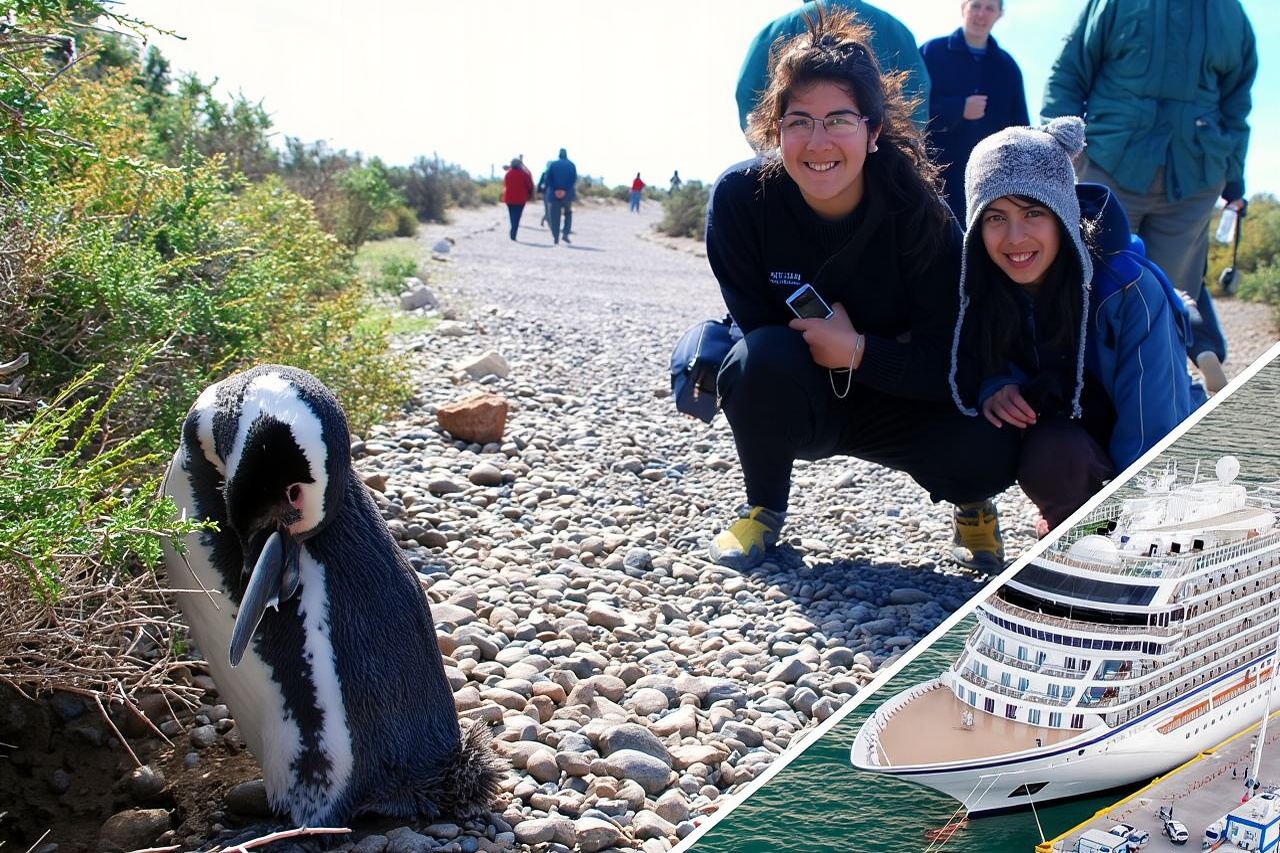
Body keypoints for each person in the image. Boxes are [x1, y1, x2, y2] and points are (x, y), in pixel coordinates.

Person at [706, 10, 1018, 573]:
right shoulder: (739, 202)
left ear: (874, 132)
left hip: (904, 395)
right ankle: (762, 508)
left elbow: (952, 364)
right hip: (809, 390)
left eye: (840, 120)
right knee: (755, 362)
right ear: (775, 131)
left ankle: (973, 503)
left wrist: (857, 352)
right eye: (798, 120)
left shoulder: (922, 218)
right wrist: (824, 356)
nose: (818, 141)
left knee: (990, 440)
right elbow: (757, 328)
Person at [948, 118, 1201, 534]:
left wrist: (1144, 528)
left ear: (1063, 213)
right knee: (1054, 461)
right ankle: (1075, 528)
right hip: (1071, 424)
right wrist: (996, 384)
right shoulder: (983, 282)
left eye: (1033, 212)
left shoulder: (1128, 287)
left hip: (1155, 424)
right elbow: (985, 355)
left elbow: (1153, 422)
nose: (1014, 237)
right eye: (995, 217)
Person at [1041, 0, 1257, 394]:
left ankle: (1159, 398)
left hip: (1195, 174)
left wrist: (1234, 174)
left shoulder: (1230, 13)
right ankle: (1082, 392)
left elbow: (1237, 101)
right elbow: (1069, 73)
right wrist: (1058, 146)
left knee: (1171, 294)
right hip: (1111, 161)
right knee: (1093, 280)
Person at [736, 0, 931, 135]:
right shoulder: (896, 29)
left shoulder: (775, 30)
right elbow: (917, 96)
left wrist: (771, 147)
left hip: (795, 163)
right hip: (885, 166)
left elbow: (748, 96)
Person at [919, 0, 1028, 222]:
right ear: (962, 8)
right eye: (976, 6)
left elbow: (1021, 129)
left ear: (1000, 15)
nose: (981, 14)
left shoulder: (1008, 67)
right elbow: (910, 108)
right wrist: (958, 108)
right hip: (932, 178)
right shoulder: (931, 52)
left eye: (990, 8)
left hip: (989, 185)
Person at [544, 148, 577, 245]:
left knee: (555, 216)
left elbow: (548, 178)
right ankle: (565, 233)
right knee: (568, 214)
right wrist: (564, 190)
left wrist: (556, 189)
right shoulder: (571, 165)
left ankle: (556, 237)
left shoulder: (553, 165)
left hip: (554, 195)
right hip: (567, 195)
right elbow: (573, 179)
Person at [502, 157, 535, 241]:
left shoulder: (508, 173)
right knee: (517, 216)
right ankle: (513, 232)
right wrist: (530, 195)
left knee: (512, 215)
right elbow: (530, 185)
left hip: (509, 198)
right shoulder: (524, 174)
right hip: (520, 198)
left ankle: (513, 230)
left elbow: (505, 184)